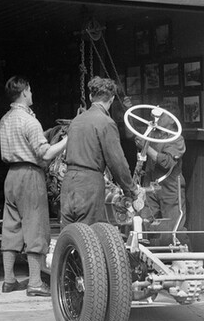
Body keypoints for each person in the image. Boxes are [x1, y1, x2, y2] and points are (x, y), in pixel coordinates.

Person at [0, 76, 69, 298]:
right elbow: (45, 153)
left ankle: (9, 280)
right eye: (30, 90)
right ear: (24, 92)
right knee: (36, 228)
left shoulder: (5, 119)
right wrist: (67, 139)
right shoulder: (29, 121)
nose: (31, 94)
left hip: (11, 176)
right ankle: (36, 283)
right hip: (30, 176)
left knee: (11, 227)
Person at [60, 76, 145, 226]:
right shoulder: (106, 123)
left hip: (68, 182)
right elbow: (117, 162)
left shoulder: (75, 121)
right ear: (112, 99)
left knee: (68, 235)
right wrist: (131, 190)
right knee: (87, 236)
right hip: (89, 185)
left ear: (90, 97)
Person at [134, 111, 189, 245]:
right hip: (151, 185)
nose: (157, 118)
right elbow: (130, 133)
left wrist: (146, 147)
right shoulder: (152, 134)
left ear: (172, 120)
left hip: (170, 188)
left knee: (175, 228)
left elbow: (166, 162)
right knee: (145, 223)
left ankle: (183, 255)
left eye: (162, 115)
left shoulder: (177, 139)